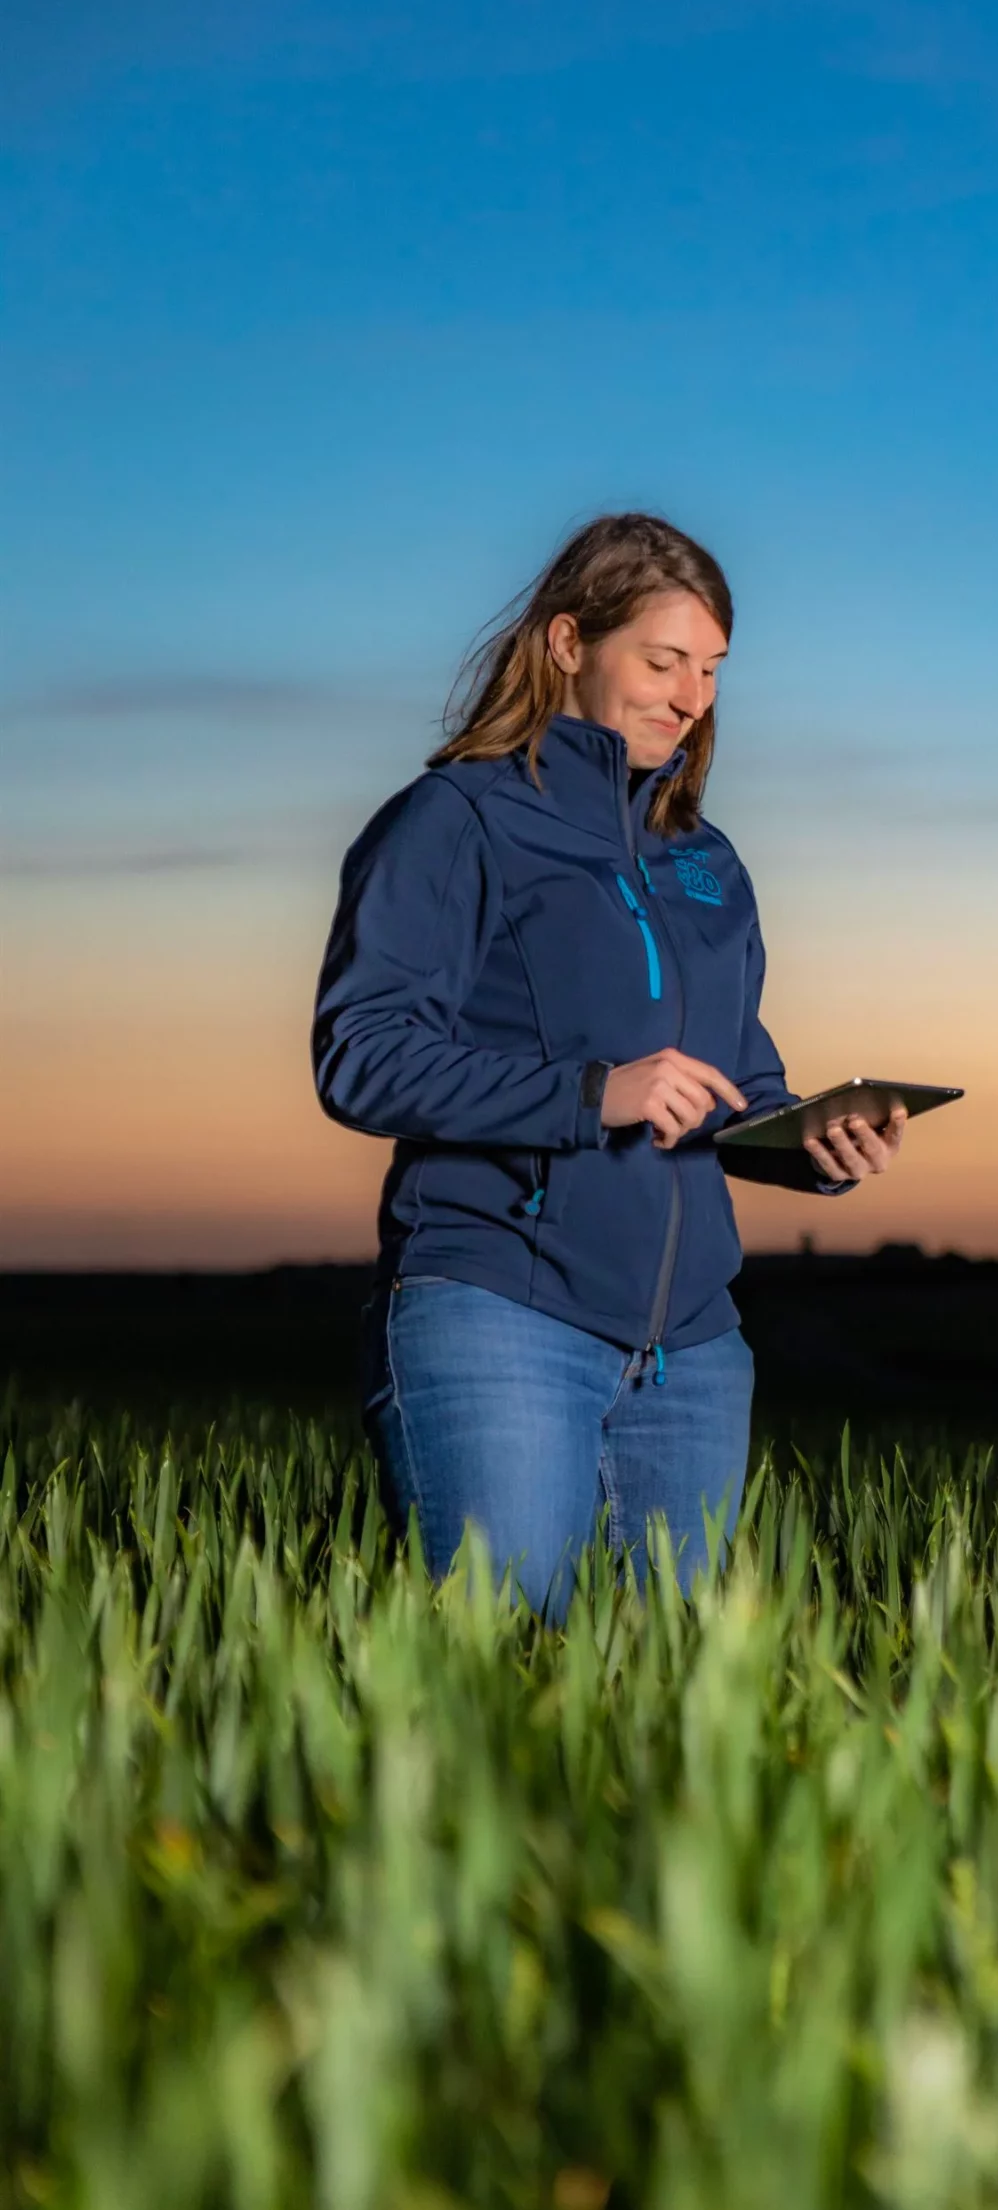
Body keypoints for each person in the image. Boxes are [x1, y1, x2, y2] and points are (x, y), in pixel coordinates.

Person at [313, 512, 903, 1617]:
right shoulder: (455, 822)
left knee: (666, 1700)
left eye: (714, 669)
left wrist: (813, 1140)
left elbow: (738, 1087)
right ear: (568, 643)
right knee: (501, 1664)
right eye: (664, 659)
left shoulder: (708, 861)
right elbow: (362, 1055)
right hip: (500, 1312)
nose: (692, 696)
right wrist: (594, 1094)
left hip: (694, 1352)